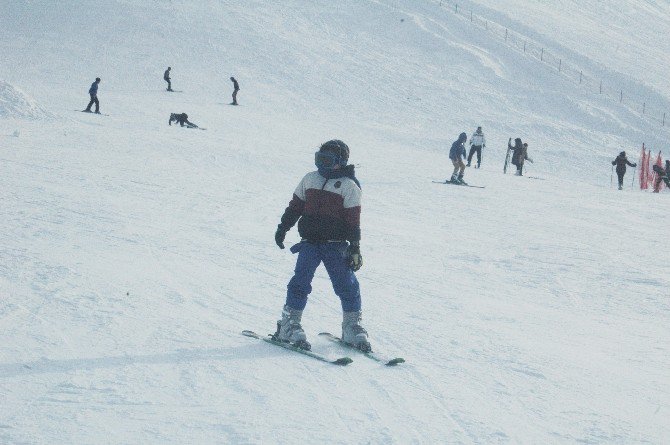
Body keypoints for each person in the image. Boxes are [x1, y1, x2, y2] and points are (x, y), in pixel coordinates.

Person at [273, 140, 369, 352]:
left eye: (327, 160)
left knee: (347, 284)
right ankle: (289, 324)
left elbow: (353, 221)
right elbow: (295, 206)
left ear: (341, 162)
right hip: (309, 244)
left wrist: (355, 247)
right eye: (319, 158)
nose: (322, 164)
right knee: (300, 282)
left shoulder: (349, 186)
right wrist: (283, 228)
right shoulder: (310, 179)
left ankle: (352, 326)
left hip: (336, 246)